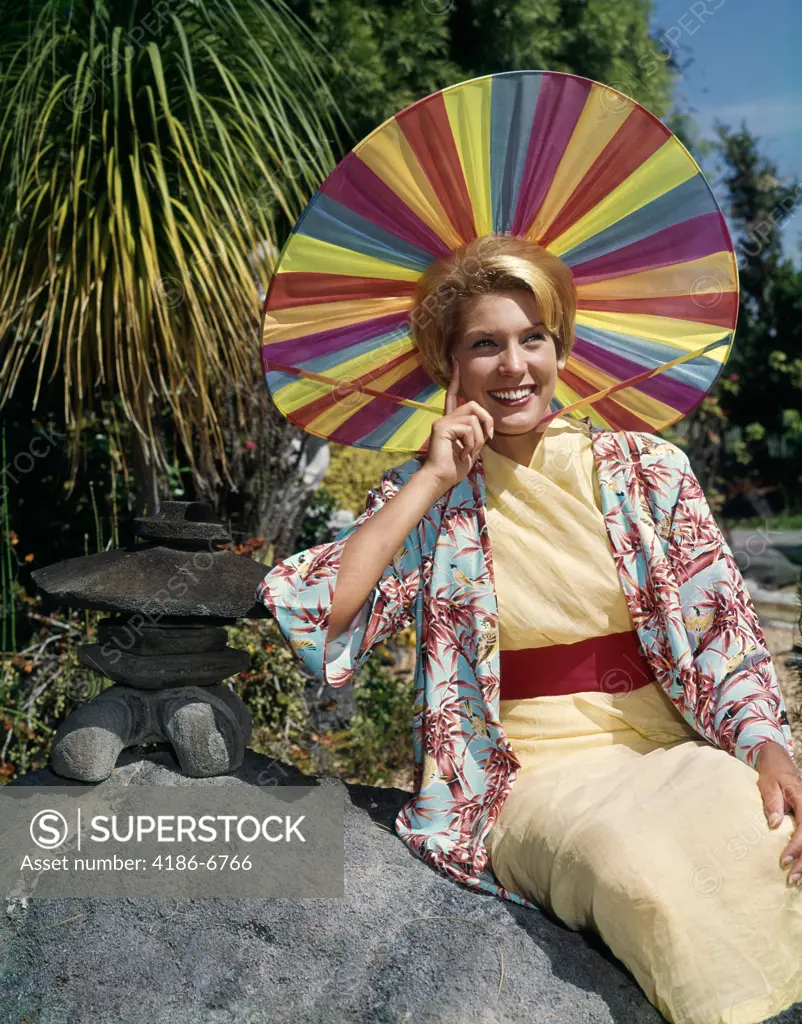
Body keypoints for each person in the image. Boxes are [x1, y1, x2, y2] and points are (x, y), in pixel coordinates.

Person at [257, 233, 802, 1024]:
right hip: (524, 772)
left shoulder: (647, 470)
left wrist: (768, 745)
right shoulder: (432, 498)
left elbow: (724, 629)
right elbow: (322, 613)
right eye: (485, 345)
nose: (513, 367)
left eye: (531, 339)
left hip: (665, 739)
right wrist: (431, 477)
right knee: (634, 870)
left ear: (561, 348)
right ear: (450, 365)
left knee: (757, 831)